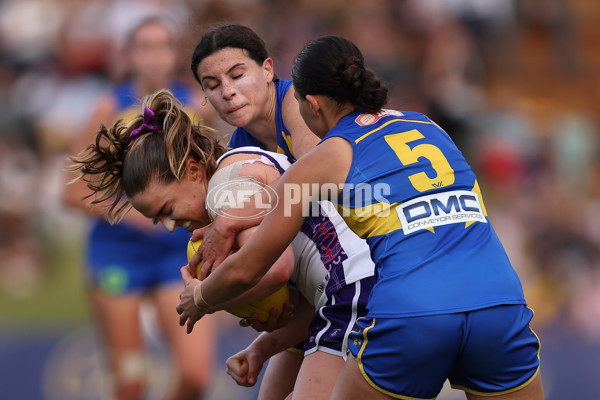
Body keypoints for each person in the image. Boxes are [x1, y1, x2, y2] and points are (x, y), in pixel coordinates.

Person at [177, 36, 545, 400]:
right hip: (500, 302)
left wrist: (201, 299)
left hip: (414, 309)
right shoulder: (429, 126)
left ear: (313, 105)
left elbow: (251, 266)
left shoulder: (324, 158)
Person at [69, 89, 377, 400]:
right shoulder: (233, 176)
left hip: (355, 291)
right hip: (351, 290)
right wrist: (261, 348)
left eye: (167, 209)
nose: (170, 225)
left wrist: (204, 299)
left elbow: (277, 269)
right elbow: (311, 297)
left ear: (192, 170)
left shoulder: (224, 192)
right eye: (157, 220)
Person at [63, 17, 216, 400]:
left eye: (161, 46)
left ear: (175, 54)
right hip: (117, 255)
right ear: (129, 56)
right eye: (144, 47)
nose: (153, 57)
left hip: (174, 255)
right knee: (130, 385)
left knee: (196, 377)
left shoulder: (197, 108)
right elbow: (71, 192)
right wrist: (135, 215)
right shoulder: (108, 106)